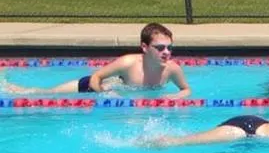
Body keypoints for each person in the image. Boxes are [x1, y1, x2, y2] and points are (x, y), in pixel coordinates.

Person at [3, 23, 192, 99]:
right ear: (144, 47)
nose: (167, 52)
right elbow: (96, 77)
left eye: (169, 47)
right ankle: (7, 85)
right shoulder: (128, 63)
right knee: (42, 94)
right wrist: (105, 95)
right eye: (160, 48)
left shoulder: (172, 69)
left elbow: (186, 89)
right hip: (90, 87)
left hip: (127, 97)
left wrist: (174, 97)